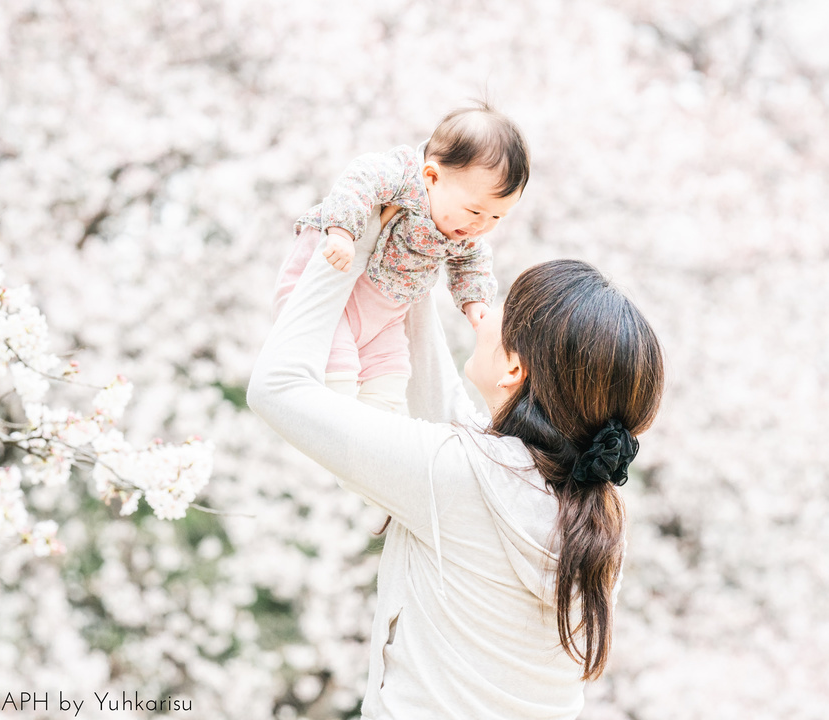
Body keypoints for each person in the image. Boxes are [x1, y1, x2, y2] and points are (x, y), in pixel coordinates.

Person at [248, 210, 664, 718]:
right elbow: (449, 417)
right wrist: (414, 251)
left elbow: (276, 389)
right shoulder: (596, 510)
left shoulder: (461, 478)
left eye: (500, 311)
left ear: (515, 367)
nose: (483, 315)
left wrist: (345, 243)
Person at [273, 103, 530, 414]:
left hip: (384, 314)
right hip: (330, 294)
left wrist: (475, 303)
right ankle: (337, 425)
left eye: (496, 216)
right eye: (475, 210)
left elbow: (473, 262)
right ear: (432, 177)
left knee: (391, 381)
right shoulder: (401, 177)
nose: (481, 225)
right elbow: (358, 182)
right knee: (337, 376)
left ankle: (371, 441)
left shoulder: (464, 231)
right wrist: (341, 233)